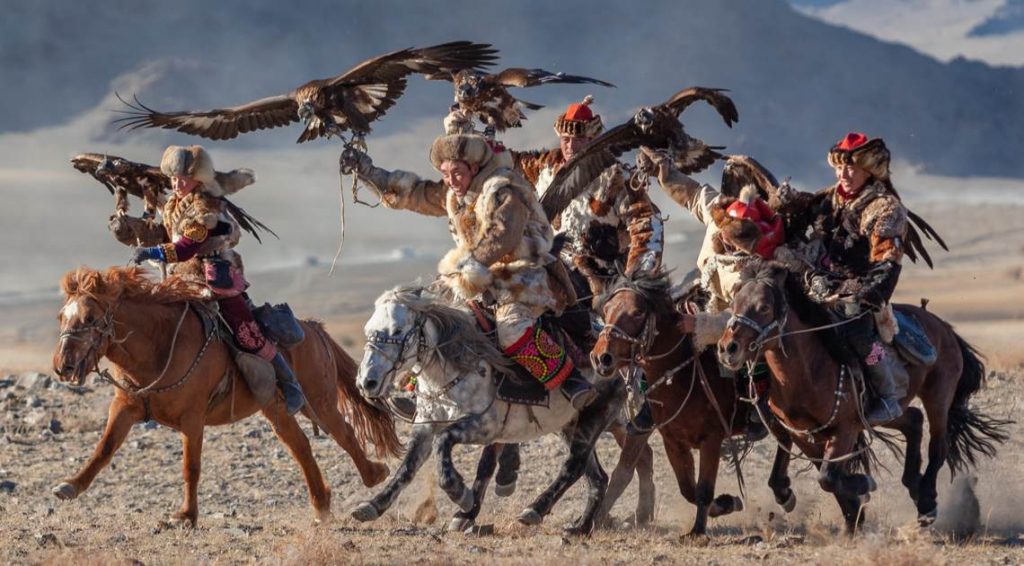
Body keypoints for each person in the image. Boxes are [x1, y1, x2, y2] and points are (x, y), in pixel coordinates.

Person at [344, 118, 596, 409]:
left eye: (457, 173)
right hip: (475, 273)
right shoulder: (455, 194)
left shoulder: (503, 189)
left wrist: (470, 265)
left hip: (523, 271)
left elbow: (503, 235)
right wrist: (366, 172)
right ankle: (420, 389)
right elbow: (415, 194)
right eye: (446, 174)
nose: (451, 180)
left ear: (474, 168)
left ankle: (571, 381)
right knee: (426, 315)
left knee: (511, 327)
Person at [131, 145, 305, 415]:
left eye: (182, 179)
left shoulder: (205, 206)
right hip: (182, 275)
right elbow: (172, 239)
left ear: (197, 179)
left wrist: (153, 252)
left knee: (245, 331)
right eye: (173, 178)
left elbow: (186, 247)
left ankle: (290, 382)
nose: (176, 184)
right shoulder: (174, 204)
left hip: (214, 273)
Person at [779, 133, 910, 424]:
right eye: (839, 167)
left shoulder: (886, 208)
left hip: (859, 287)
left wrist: (861, 294)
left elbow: (887, 261)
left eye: (851, 167)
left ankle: (887, 394)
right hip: (818, 280)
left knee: (856, 331)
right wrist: (784, 207)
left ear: (869, 170)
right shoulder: (828, 198)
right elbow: (796, 230)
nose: (843, 174)